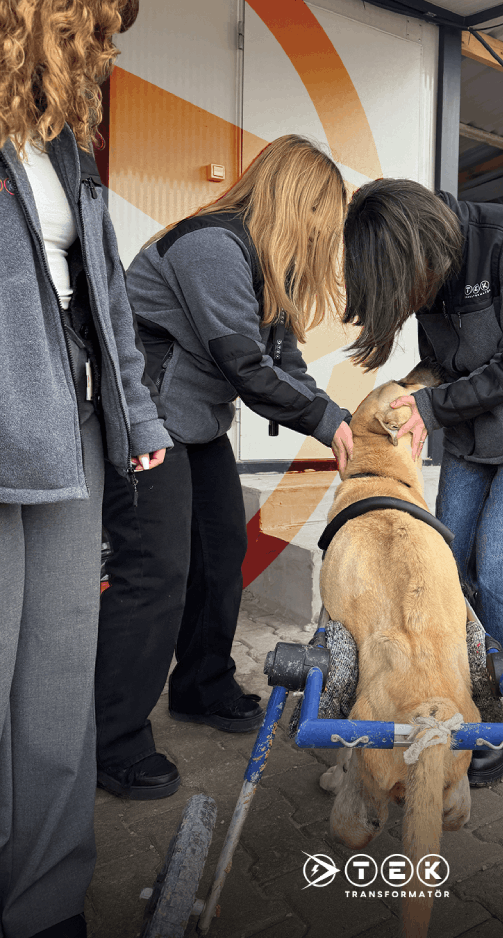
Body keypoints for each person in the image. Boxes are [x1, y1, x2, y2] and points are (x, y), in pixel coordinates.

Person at [95, 135, 354, 799]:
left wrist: (338, 419)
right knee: (154, 573)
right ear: (295, 201)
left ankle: (201, 686)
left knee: (220, 555)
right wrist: (328, 424)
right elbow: (246, 367)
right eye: (323, 216)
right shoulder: (211, 245)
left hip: (198, 424)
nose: (324, 234)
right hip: (149, 421)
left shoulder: (264, 265)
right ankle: (111, 739)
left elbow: (284, 364)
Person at [0, 2, 171, 935]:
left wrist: (134, 408)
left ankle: (45, 902)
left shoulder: (65, 136)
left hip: (69, 420)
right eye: (91, 23)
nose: (102, 47)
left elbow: (102, 285)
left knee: (59, 679)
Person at [342, 178, 503, 785]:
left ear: (418, 246)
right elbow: (442, 366)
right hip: (475, 430)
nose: (410, 300)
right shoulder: (432, 273)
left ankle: (499, 723)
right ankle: (453, 698)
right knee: (446, 564)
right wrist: (405, 395)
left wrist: (431, 408)